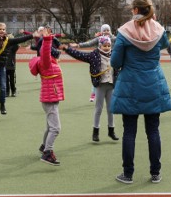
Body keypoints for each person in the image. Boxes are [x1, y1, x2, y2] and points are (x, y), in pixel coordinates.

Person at [111, 0, 171, 184]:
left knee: (129, 131)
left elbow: (115, 61)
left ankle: (127, 174)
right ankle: (155, 172)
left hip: (130, 84)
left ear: (136, 10)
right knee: (153, 131)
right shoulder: (159, 30)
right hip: (153, 83)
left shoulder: (125, 31)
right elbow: (165, 46)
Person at [61, 35, 119, 142]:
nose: (106, 47)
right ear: (100, 46)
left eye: (108, 45)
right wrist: (67, 49)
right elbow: (80, 55)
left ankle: (111, 131)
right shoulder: (94, 55)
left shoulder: (115, 55)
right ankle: (95, 132)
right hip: (100, 85)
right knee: (98, 108)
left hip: (111, 85)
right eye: (104, 45)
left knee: (111, 109)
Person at [28, 27, 65, 166]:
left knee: (50, 126)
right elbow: (44, 50)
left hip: (51, 96)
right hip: (49, 98)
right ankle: (47, 153)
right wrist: (47, 38)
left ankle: (44, 146)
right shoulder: (45, 61)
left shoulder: (50, 61)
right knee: (56, 128)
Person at [72, 24, 116, 102]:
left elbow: (121, 40)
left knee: (112, 78)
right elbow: (89, 43)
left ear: (110, 31)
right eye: (104, 30)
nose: (106, 32)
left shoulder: (112, 39)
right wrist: (78, 45)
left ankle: (113, 95)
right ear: (101, 32)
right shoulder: (98, 39)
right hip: (100, 61)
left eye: (108, 30)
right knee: (98, 77)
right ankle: (93, 93)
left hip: (109, 62)